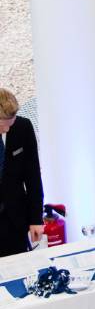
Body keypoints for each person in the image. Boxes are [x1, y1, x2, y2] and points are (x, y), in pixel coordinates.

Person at [0, 87, 43, 257]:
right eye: (3, 126)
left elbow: (32, 176)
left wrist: (36, 219)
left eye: (11, 124)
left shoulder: (22, 128)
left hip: (15, 220)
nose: (7, 130)